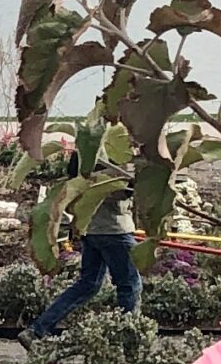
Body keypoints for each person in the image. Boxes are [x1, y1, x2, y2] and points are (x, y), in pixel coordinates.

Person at [28, 135, 142, 338]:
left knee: (88, 284)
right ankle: (129, 338)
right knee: (129, 285)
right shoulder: (112, 152)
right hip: (114, 230)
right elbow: (122, 189)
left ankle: (40, 328)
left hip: (90, 228)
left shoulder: (84, 152)